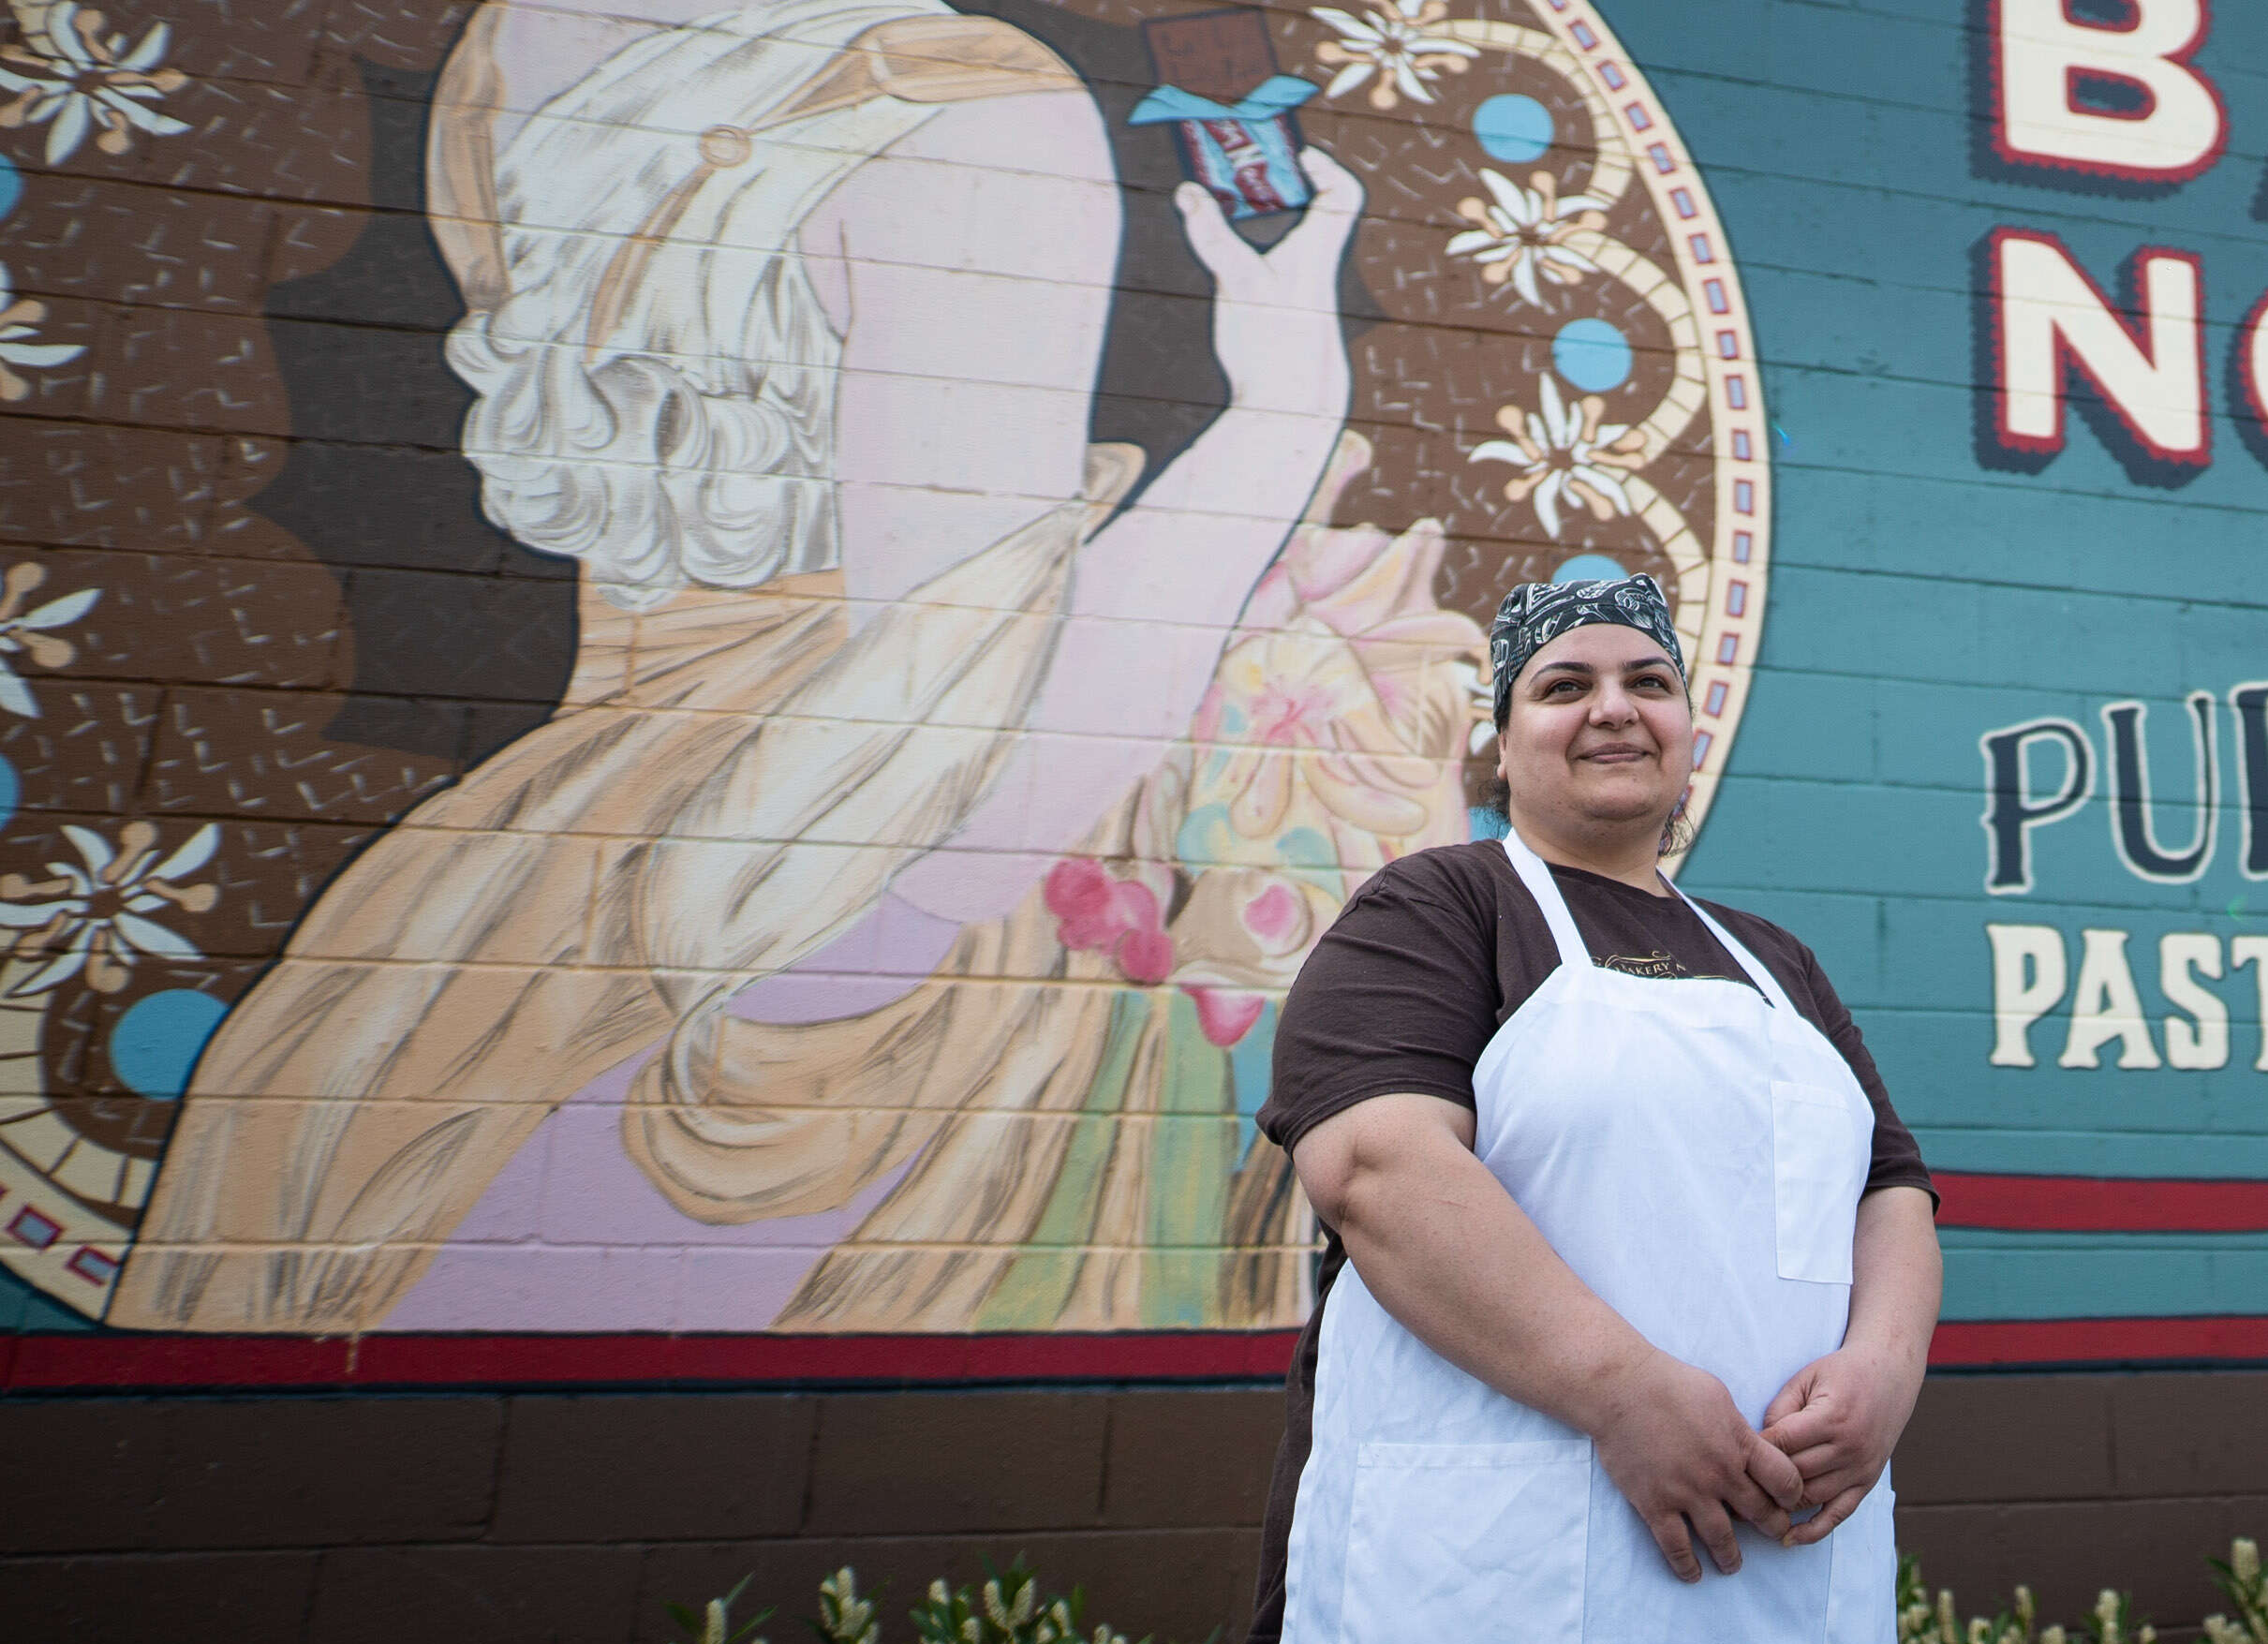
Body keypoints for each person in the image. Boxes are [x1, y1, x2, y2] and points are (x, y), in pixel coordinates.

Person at [112, 0, 1474, 1334]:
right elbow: (961, 797)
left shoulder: (521, 45)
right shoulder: (968, 111)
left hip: (498, 905)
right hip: (825, 981)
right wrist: (1282, 414)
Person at [1254, 574, 1939, 1644]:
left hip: (1782, 1576)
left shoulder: (1777, 959)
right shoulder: (1436, 910)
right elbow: (1377, 1169)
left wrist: (1883, 1369)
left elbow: (1891, 1188)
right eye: (1564, 684)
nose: (1614, 708)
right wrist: (1622, 1390)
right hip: (1489, 1583)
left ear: (1684, 727)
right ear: (1504, 739)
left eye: (1649, 681)